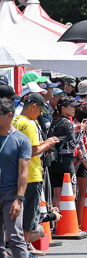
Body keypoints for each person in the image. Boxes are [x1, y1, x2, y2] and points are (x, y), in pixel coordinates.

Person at [12, 92, 58, 252]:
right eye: (39, 111)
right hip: (31, 175)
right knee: (29, 219)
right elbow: (31, 150)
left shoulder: (16, 121)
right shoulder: (30, 124)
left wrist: (43, 143)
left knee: (17, 218)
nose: (39, 115)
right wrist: (48, 144)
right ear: (33, 107)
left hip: (16, 175)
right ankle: (22, 250)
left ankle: (23, 248)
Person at [0, 98, 32, 258]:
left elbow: (23, 172)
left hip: (11, 194)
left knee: (15, 238)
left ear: (9, 115)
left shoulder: (21, 140)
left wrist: (19, 198)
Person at [47, 96, 82, 209]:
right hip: (66, 162)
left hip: (54, 161)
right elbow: (74, 144)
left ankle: (57, 223)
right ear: (63, 108)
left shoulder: (54, 121)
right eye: (71, 106)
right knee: (72, 191)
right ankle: (68, 222)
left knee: (57, 194)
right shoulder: (67, 123)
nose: (74, 109)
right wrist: (81, 131)